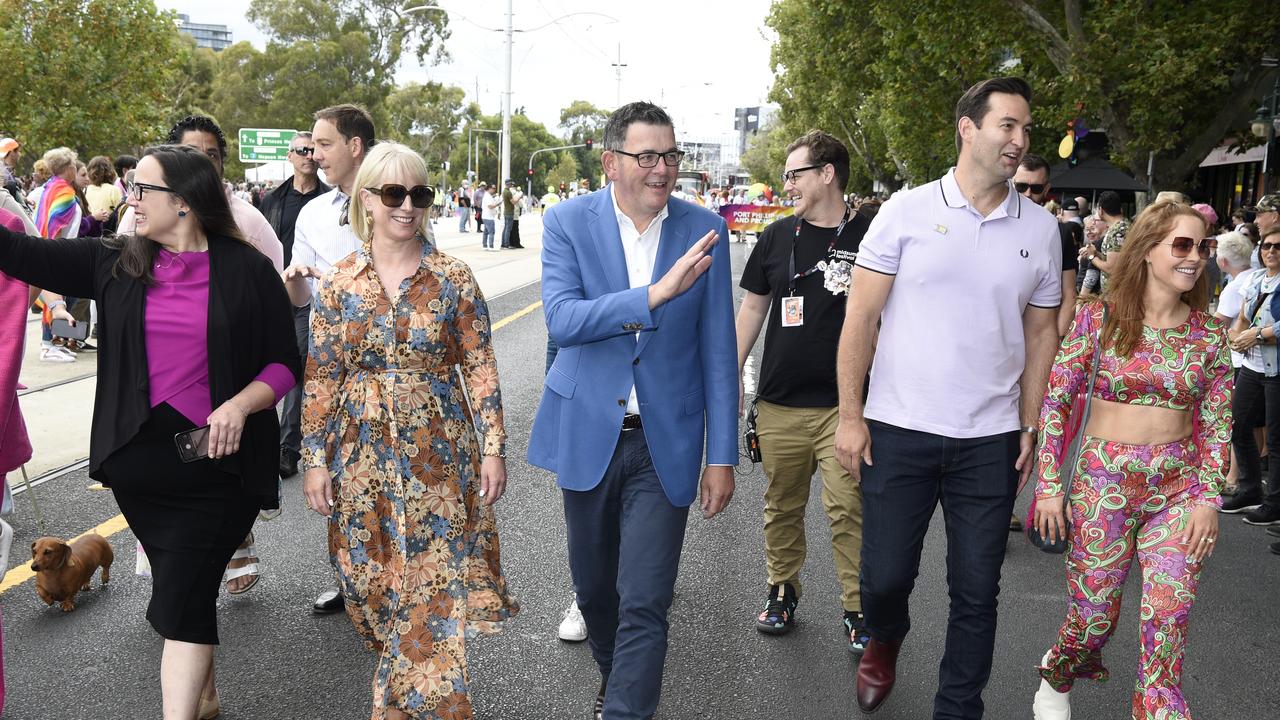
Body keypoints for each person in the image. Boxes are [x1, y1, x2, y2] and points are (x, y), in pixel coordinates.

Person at [0, 144, 300, 720]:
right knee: (185, 586)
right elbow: (16, 252)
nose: (129, 199)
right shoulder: (114, 259)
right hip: (139, 467)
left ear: (184, 202)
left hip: (220, 465)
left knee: (183, 594)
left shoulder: (244, 269)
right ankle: (204, 694)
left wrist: (240, 405)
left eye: (143, 190)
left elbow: (284, 362)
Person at [834, 77, 1062, 718]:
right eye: (1007, 126)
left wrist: (1029, 423)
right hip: (897, 430)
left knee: (976, 591)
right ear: (968, 128)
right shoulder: (904, 211)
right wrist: (850, 417)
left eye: (1025, 130)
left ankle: (958, 706)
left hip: (989, 440)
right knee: (884, 580)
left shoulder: (1042, 229)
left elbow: (1041, 331)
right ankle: (885, 636)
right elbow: (860, 320)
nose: (1019, 141)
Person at [528, 101, 737, 720]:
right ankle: (617, 677)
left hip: (663, 441)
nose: (661, 169)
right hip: (589, 430)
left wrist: (720, 455)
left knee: (644, 598)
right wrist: (655, 294)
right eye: (646, 156)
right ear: (610, 161)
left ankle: (625, 708)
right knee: (596, 594)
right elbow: (562, 320)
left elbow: (719, 352)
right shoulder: (567, 221)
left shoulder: (706, 229)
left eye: (670, 155)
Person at [300, 142, 517, 720]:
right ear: (365, 199)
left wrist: (494, 448)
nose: (407, 207)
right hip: (359, 458)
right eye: (394, 194)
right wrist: (314, 457)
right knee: (369, 587)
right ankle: (402, 690)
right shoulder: (341, 283)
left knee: (430, 589)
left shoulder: (453, 277)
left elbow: (480, 366)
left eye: (419, 195)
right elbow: (321, 375)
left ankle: (398, 709)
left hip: (440, 458)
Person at [1030, 200, 1230, 719]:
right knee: (1094, 616)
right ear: (1146, 251)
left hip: (1179, 495)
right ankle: (1060, 669)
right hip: (1101, 487)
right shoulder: (1100, 319)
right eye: (1181, 245)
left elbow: (1215, 424)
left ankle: (1159, 709)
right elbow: (1056, 401)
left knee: (1168, 618)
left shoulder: (1209, 335)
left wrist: (1209, 499)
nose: (1195, 257)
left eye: (1202, 246)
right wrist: (1050, 486)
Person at [734, 130, 872, 651]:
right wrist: (731, 377)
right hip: (779, 405)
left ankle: (858, 609)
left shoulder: (872, 236)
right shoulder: (774, 238)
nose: (786, 184)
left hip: (845, 407)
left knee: (847, 509)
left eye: (795, 174)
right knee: (782, 506)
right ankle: (782, 591)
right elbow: (752, 310)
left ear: (827, 173)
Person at [283, 102, 377, 616]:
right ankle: (348, 577)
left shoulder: (395, 197)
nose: (313, 155)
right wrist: (298, 283)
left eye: (322, 144)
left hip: (388, 364)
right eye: (311, 146)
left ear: (354, 146)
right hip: (333, 361)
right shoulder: (312, 213)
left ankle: (393, 573)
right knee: (335, 469)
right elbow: (301, 300)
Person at [258, 132, 330, 482]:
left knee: (297, 368)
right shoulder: (271, 199)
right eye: (302, 150)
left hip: (306, 297)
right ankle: (263, 444)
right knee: (265, 368)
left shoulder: (330, 201)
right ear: (290, 156)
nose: (308, 155)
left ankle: (289, 449)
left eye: (313, 150)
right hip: (271, 295)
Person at [1224, 223, 1280, 527]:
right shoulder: (1256, 278)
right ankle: (1250, 488)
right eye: (1267, 246)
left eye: (1278, 247)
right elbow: (1242, 318)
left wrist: (1255, 335)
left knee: (1275, 439)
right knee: (1239, 425)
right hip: (1252, 366)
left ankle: (1275, 502)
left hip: (1276, 370)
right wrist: (1237, 336)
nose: (1271, 251)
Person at [1213, 231, 1258, 500]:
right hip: (1253, 358)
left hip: (1241, 359)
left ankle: (1233, 476)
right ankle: (1242, 475)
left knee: (1236, 421)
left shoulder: (1233, 287)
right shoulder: (1256, 274)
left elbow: (1217, 325)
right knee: (1250, 424)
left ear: (1222, 261)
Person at [481, 183, 499, 251]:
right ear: (489, 189)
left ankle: (485, 245)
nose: (494, 190)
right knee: (491, 232)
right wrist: (497, 204)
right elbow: (490, 206)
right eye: (493, 188)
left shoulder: (488, 195)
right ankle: (491, 246)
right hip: (488, 217)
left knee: (486, 232)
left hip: (487, 216)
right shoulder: (487, 196)